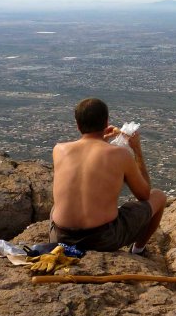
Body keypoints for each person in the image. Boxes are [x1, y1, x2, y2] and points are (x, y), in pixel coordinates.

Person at [49, 97, 167, 255]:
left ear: (77, 125)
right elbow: (144, 195)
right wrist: (137, 150)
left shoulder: (59, 150)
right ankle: (138, 250)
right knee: (158, 196)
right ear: (106, 122)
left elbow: (87, 157)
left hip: (60, 238)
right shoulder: (120, 154)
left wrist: (101, 140)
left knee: (58, 205)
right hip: (103, 239)